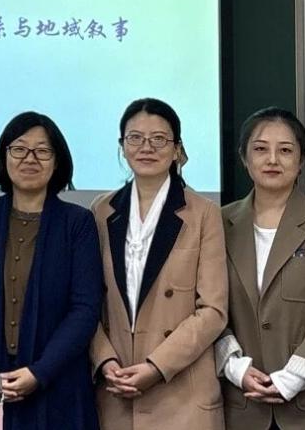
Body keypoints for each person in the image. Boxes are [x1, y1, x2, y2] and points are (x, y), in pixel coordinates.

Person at [214, 107, 305, 430]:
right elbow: (209, 305)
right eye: (260, 149)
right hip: (243, 406)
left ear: (301, 160)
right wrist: (236, 369)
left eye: (285, 150)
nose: (272, 159)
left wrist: (293, 377)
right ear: (244, 157)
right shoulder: (219, 223)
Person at [0, 111, 103, 430]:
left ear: (57, 161)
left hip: (58, 386)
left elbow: (85, 309)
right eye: (20, 149)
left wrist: (40, 372)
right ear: (4, 156)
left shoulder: (77, 223)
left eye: (42, 151)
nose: (30, 158)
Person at [91, 98, 226, 430]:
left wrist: (156, 366)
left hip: (182, 393)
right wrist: (104, 360)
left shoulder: (204, 213)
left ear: (177, 149)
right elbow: (88, 302)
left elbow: (213, 310)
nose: (146, 147)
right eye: (135, 138)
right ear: (122, 146)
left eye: (159, 139)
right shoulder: (101, 210)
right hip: (116, 389)